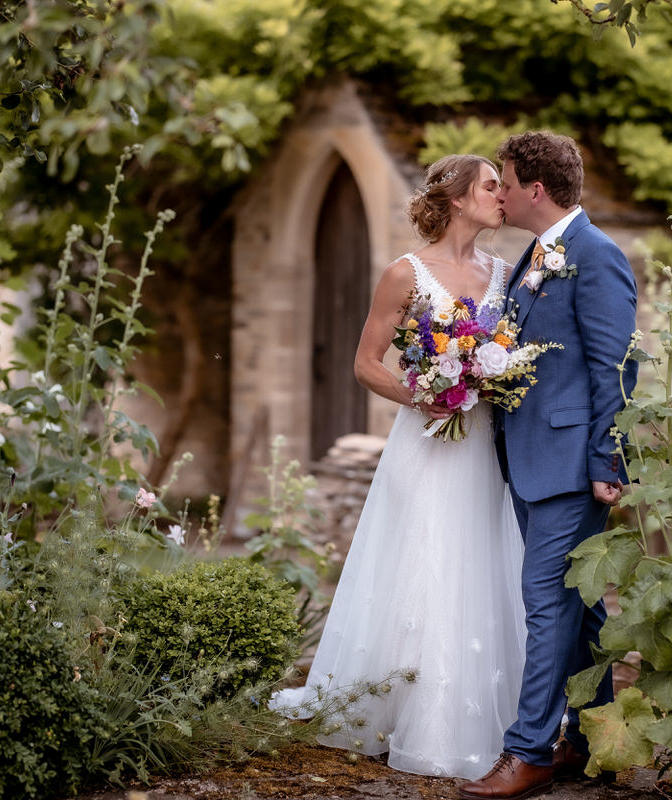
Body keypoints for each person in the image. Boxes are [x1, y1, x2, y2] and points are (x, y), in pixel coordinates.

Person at [270, 154, 528, 780]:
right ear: (459, 198)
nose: (504, 195)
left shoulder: (506, 273)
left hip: (485, 443)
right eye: (492, 186)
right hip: (427, 438)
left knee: (483, 560)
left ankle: (492, 715)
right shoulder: (403, 274)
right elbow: (367, 361)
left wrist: (491, 377)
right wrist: (427, 393)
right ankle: (405, 710)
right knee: (423, 561)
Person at [459, 132, 638, 800]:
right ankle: (589, 742)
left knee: (545, 603)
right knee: (580, 607)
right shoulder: (538, 253)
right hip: (527, 456)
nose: (499, 192)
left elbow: (616, 367)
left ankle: (527, 750)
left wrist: (606, 459)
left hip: (570, 465)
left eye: (503, 181)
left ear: (535, 189)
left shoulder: (596, 256)